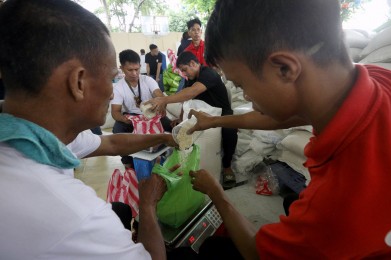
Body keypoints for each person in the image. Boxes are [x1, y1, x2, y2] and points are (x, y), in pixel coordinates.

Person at [187, 0, 391, 259]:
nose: (247, 96)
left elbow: (256, 252)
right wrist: (213, 121)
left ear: (285, 67)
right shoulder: (386, 81)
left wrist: (217, 194)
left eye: (241, 84)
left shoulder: (331, 209)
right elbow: (280, 117)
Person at [0, 1, 167, 259]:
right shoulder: (75, 215)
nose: (113, 88)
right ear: (78, 82)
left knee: (120, 211)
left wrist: (163, 137)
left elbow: (111, 144)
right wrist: (147, 205)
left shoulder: (35, 133)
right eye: (112, 77)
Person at [145, 51, 238, 189]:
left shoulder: (208, 74)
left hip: (221, 112)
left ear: (193, 64)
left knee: (230, 131)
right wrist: (180, 118)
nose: (184, 74)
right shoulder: (191, 78)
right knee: (180, 132)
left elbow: (191, 92)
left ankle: (227, 167)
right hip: (203, 113)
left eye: (184, 70)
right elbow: (187, 99)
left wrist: (164, 99)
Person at [112, 49, 172, 168]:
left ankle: (165, 156)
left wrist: (160, 103)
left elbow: (160, 95)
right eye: (130, 70)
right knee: (117, 131)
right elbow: (115, 112)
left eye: (137, 69)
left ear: (140, 66)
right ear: (122, 68)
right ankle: (128, 163)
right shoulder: (118, 87)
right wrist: (126, 120)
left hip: (151, 114)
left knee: (171, 127)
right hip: (131, 117)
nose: (134, 73)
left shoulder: (148, 80)